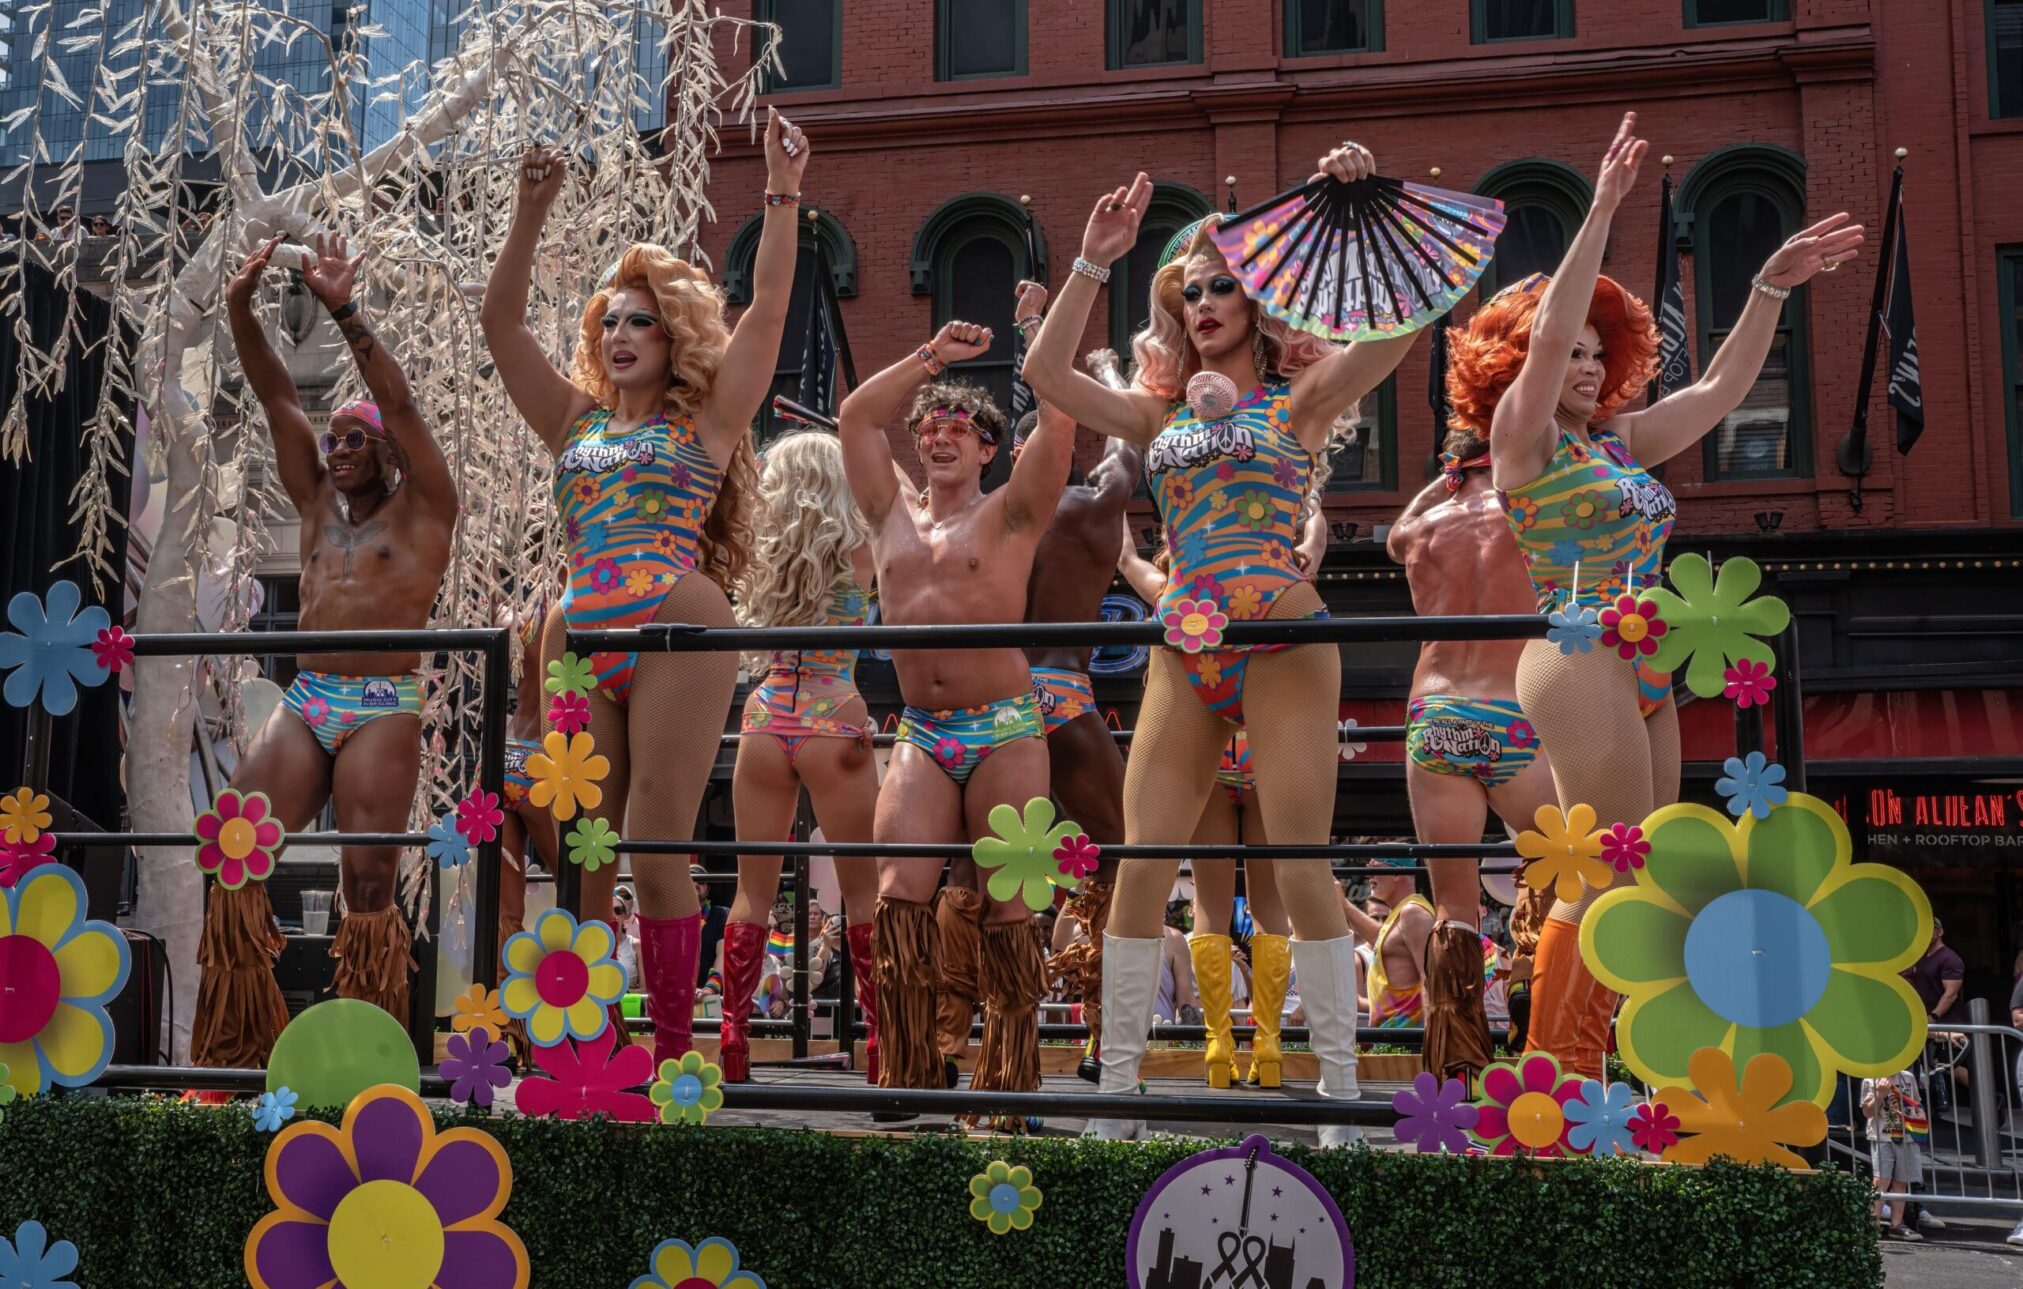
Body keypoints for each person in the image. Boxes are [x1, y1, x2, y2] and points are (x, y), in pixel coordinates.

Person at [1024, 143, 1420, 1144]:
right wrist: (1092, 259)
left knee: (1297, 867)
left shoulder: (1303, 398)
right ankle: (1115, 1103)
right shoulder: (1155, 410)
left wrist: (1350, 214)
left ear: (1256, 304)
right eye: (1188, 290)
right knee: (1141, 862)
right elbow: (1042, 372)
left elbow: (1402, 327)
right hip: (1182, 642)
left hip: (1285, 636)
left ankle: (1334, 1100)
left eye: (1220, 287)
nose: (1201, 302)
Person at [1463, 112, 1861, 1076]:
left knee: (1629, 870)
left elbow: (1723, 389)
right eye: (1572, 353)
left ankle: (1592, 1076)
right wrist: (1601, 206)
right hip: (1574, 646)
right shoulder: (1522, 437)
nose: (1588, 364)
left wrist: (1768, 284)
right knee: (1594, 864)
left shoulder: (1617, 442)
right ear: (1519, 361)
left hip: (1647, 664)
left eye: (1604, 353)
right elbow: (1553, 327)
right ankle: (1549, 1093)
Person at [481, 109, 809, 1066]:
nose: (622, 333)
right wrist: (528, 213)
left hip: (676, 623)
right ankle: (584, 1052)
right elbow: (500, 324)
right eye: (609, 321)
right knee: (584, 855)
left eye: (643, 321)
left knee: (657, 845)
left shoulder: (704, 422)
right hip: (576, 634)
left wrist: (783, 195)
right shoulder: (572, 422)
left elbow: (769, 315)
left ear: (674, 339)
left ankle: (675, 1058)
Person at [199, 231, 458, 1064]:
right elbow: (278, 399)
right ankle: (240, 1044)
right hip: (309, 701)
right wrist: (242, 313)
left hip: (384, 704)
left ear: (388, 453)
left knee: (370, 885)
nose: (337, 448)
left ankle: (365, 1058)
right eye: (334, 438)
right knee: (232, 848)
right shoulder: (313, 504)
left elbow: (406, 407)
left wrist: (345, 311)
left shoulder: (425, 509)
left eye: (354, 437)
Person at [835, 293, 1074, 1101]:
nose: (936, 435)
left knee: (1009, 905)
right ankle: (908, 1075)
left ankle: (1008, 1082)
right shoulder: (888, 515)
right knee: (898, 895)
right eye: (928, 427)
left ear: (988, 450)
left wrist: (1037, 336)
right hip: (923, 731)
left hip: (1006, 726)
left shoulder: (1010, 514)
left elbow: (1061, 425)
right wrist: (930, 356)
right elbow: (857, 418)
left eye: (957, 429)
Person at [1386, 422, 1561, 1087]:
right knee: (1558, 878)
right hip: (1511, 711)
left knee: (1452, 912)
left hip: (1435, 713)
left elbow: (1392, 536)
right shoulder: (1535, 512)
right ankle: (1537, 1021)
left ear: (1452, 466)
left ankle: (1454, 1074)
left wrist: (1446, 479)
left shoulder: (1426, 525)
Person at [721, 431, 882, 1082]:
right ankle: (881, 1047)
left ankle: (732, 1038)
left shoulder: (758, 553)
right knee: (864, 893)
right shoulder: (861, 549)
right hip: (832, 706)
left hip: (764, 714)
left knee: (749, 893)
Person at [1117, 533, 1294, 1089]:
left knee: (1211, 912)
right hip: (1263, 754)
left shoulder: (1171, 591)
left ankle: (1219, 1047)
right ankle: (1268, 1047)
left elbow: (1125, 557)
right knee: (1272, 913)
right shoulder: (1268, 587)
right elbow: (1313, 542)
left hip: (1208, 756)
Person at [1018, 326, 1143, 1084]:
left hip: (1003, 698)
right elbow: (1132, 449)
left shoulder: (1003, 514)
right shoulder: (1093, 508)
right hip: (1064, 690)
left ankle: (989, 1037)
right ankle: (1104, 1034)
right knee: (1124, 852)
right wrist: (1107, 366)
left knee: (997, 868)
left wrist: (1042, 344)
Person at [1344, 859, 1434, 1030]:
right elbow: (1377, 937)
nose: (1369, 875)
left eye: (1375, 868)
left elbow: (1430, 978)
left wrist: (1430, 1039)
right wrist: (1342, 903)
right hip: (1391, 1035)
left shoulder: (1413, 912)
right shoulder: (1399, 913)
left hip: (1409, 1038)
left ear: (1398, 873)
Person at [1862, 1067, 1927, 1241]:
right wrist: (1880, 1095)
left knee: (1901, 1181)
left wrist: (1920, 1113)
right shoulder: (1871, 1078)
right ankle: (1873, 1221)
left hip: (1907, 1135)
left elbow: (1916, 1102)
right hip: (1883, 1136)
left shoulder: (1908, 1077)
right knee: (1881, 1179)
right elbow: (1868, 1112)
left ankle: (1897, 1224)